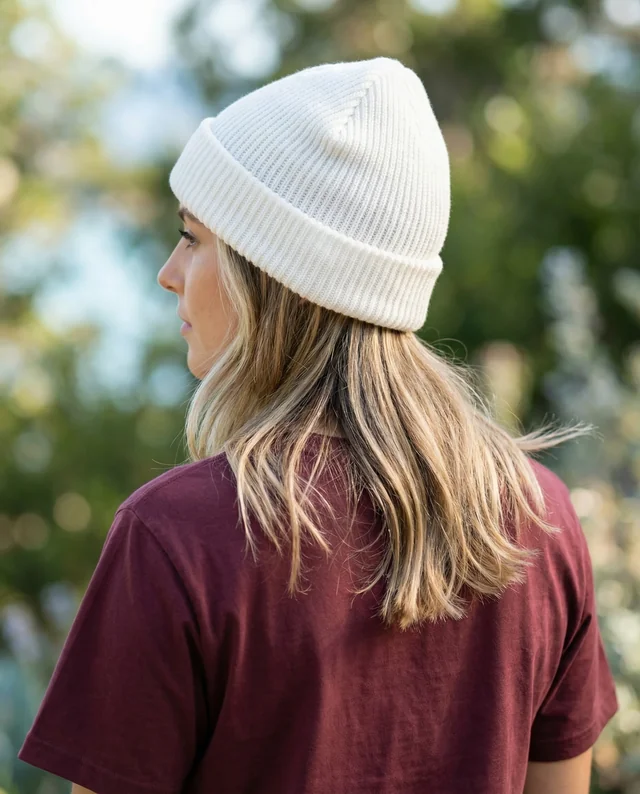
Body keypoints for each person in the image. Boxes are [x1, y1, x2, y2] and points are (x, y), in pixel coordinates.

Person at [18, 57, 617, 794]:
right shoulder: (539, 519)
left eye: (195, 238)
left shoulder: (178, 537)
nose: (169, 272)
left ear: (269, 274)